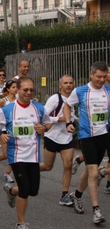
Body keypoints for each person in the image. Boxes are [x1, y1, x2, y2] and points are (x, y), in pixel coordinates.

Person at [0, 76, 51, 229]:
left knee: (33, 190)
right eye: (25, 89)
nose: (29, 92)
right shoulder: (8, 109)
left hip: (33, 155)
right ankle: (20, 224)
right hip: (16, 155)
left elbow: (48, 123)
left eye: (31, 89)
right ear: (17, 90)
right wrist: (1, 134)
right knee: (25, 189)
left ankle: (12, 191)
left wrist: (43, 128)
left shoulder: (38, 108)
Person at [63, 61, 110, 224]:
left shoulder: (109, 90)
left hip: (105, 134)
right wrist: (69, 122)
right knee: (94, 172)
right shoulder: (81, 91)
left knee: (92, 171)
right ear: (91, 74)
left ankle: (76, 195)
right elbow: (67, 106)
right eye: (99, 77)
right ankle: (96, 211)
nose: (102, 80)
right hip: (87, 136)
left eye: (104, 77)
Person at [39, 75, 76, 206]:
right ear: (60, 85)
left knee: (68, 165)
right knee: (47, 166)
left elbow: (72, 115)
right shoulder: (55, 99)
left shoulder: (73, 99)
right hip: (52, 136)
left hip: (67, 137)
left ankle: (64, 195)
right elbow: (44, 115)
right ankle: (30, 170)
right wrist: (59, 119)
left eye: (71, 83)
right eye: (65, 83)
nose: (68, 85)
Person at [0, 79, 18, 183]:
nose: (16, 89)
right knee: (6, 154)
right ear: (8, 89)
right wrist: (1, 116)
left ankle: (7, 174)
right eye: (13, 87)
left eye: (17, 87)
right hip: (4, 130)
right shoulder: (3, 101)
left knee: (14, 154)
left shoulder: (19, 100)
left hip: (15, 129)